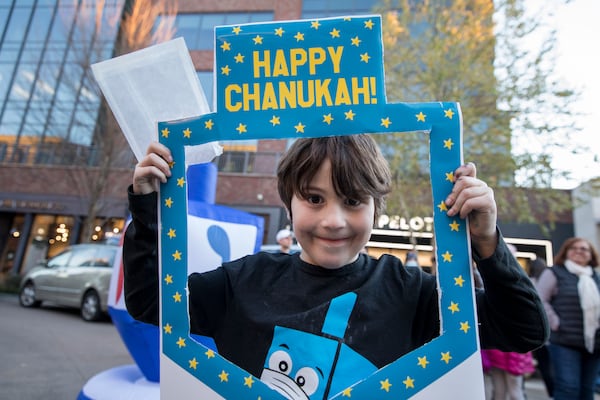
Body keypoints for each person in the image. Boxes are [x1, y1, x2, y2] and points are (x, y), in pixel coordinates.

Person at [124, 135, 549, 398]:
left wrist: (488, 242)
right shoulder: (245, 280)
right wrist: (147, 211)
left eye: (352, 201)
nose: (333, 220)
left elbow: (525, 329)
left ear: (376, 209)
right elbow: (149, 304)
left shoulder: (412, 292)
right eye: (314, 198)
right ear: (288, 203)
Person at [536, 237, 600, 400]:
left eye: (584, 249)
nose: (579, 251)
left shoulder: (595, 277)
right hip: (564, 340)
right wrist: (555, 323)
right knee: (568, 388)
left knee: (587, 389)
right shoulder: (554, 272)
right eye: (574, 248)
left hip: (594, 343)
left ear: (591, 255)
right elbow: (540, 299)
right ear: (566, 252)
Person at [481, 244, 535, 400]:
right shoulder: (496, 280)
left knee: (512, 388)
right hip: (500, 344)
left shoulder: (516, 281)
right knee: (502, 388)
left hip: (512, 344)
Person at [528, 257, 554, 398]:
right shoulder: (549, 281)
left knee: (545, 365)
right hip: (551, 331)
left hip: (538, 331)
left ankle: (552, 392)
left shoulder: (529, 282)